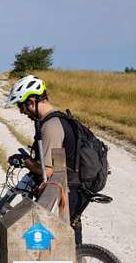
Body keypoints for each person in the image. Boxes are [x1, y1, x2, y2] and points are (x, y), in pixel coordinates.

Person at [5, 74, 89, 245]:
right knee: (75, 246)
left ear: (32, 101)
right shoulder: (57, 118)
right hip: (74, 187)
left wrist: (25, 161)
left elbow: (47, 170)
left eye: (22, 106)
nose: (21, 111)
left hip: (68, 191)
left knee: (68, 246)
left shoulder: (51, 126)